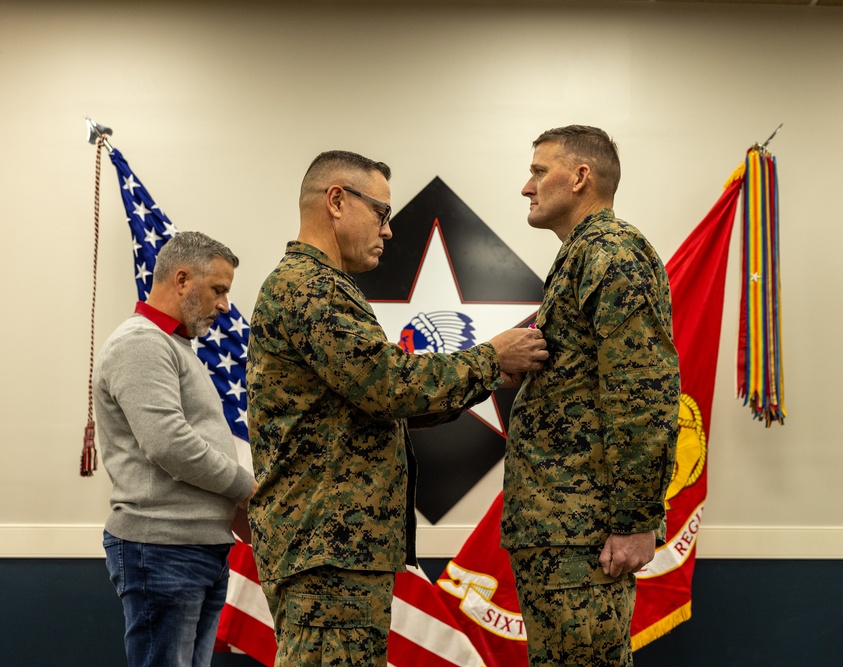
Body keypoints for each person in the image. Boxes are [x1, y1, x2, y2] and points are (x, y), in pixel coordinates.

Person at [247, 149, 548, 667]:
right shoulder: (310, 289)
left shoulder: (325, 289)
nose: (388, 230)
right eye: (382, 213)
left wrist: (491, 372)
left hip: (337, 549)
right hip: (327, 549)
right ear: (337, 201)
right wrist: (488, 358)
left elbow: (383, 404)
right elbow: (388, 385)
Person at [501, 125, 681, 666]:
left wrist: (634, 521)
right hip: (558, 530)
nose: (526, 187)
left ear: (580, 177)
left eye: (538, 171)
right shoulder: (580, 255)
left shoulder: (611, 254)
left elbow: (644, 395)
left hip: (586, 535)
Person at [95, 231, 258, 667]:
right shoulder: (141, 343)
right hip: (163, 550)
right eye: (219, 290)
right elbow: (169, 444)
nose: (225, 305)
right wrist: (246, 488)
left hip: (193, 549)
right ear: (182, 279)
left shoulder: (173, 344)